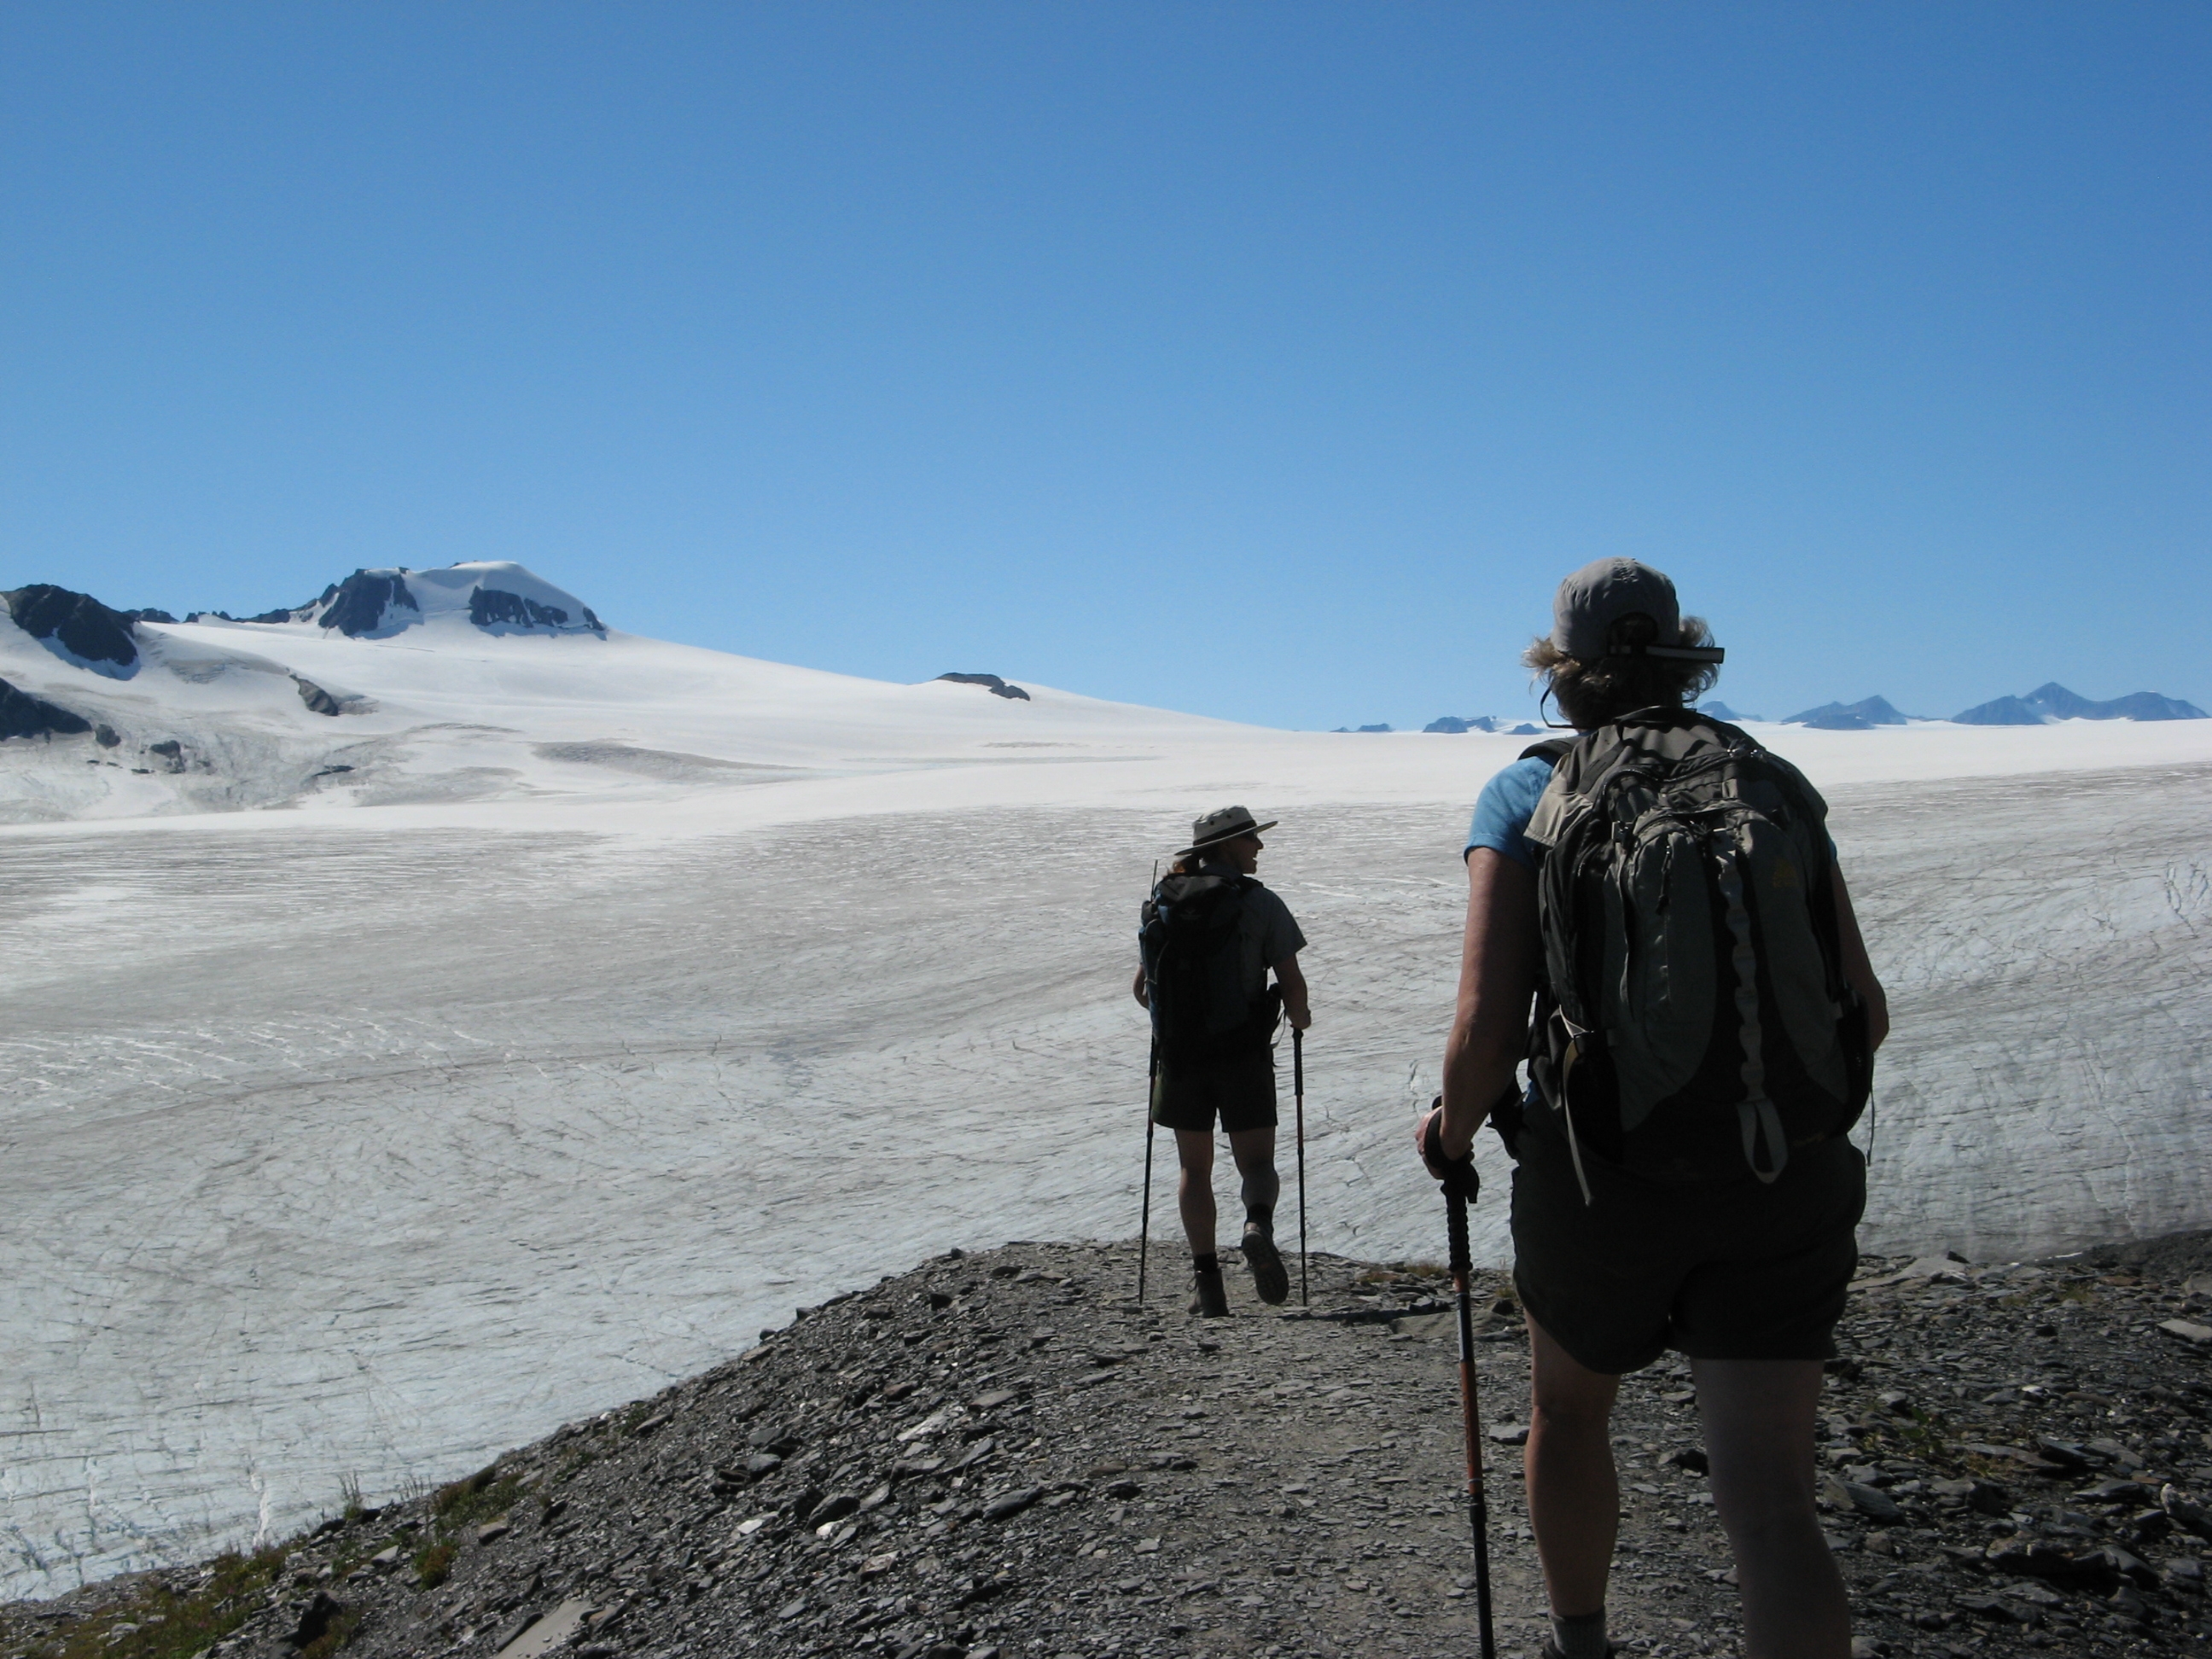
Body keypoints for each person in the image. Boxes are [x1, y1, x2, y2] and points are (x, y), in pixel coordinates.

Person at [1415, 559, 1889, 1659]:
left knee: (1571, 1414)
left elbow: (1487, 1029)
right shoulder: (1771, 783)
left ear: (1564, 675)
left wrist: (1450, 1130)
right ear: (1684, 654)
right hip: (1786, 1181)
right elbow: (1862, 1010)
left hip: (1604, 1181)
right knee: (1774, 1506)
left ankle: (1584, 1643)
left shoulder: (1530, 791)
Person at [1133, 806, 1313, 1317]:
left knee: (1194, 1168)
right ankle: (1257, 1223)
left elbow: (1142, 988)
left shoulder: (1160, 904)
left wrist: (1176, 1019)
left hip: (1181, 1058)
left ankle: (1207, 1285)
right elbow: (1292, 983)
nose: (1259, 847)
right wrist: (1299, 1021)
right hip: (1242, 1055)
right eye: (1252, 839)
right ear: (1229, 846)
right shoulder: (1258, 903)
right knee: (1255, 1162)